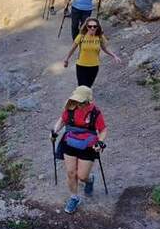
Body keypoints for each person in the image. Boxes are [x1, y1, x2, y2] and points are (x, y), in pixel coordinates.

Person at [50, 86, 108, 214]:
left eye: (80, 102)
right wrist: (55, 131)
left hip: (88, 146)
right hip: (69, 143)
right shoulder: (70, 107)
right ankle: (74, 197)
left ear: (88, 101)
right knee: (71, 173)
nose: (78, 104)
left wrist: (100, 142)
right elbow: (62, 121)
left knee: (82, 176)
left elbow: (103, 130)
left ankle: (90, 179)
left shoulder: (95, 112)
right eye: (77, 101)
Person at [63, 17, 121, 88]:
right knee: (82, 87)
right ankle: (83, 99)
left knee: (88, 87)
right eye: (90, 26)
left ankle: (87, 98)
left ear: (97, 27)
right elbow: (72, 48)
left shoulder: (100, 37)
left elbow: (104, 49)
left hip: (94, 66)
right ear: (87, 27)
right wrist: (66, 59)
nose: (92, 28)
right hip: (81, 65)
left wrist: (114, 56)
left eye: (95, 26)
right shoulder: (81, 36)